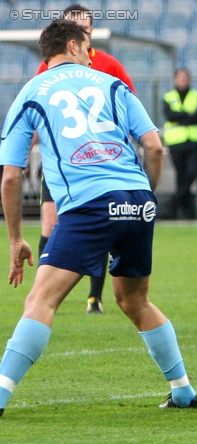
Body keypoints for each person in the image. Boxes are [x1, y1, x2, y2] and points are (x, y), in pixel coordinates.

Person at [0, 20, 197, 417]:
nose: (90, 52)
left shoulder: (31, 93)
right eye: (87, 45)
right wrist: (143, 195)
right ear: (74, 46)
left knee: (41, 300)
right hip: (136, 201)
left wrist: (14, 239)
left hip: (88, 205)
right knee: (134, 300)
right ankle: (182, 391)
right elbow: (154, 147)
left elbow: (11, 175)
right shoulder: (111, 84)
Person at [35, 3, 138, 314]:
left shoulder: (109, 66)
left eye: (85, 29)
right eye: (75, 29)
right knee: (49, 223)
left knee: (102, 224)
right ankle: (43, 290)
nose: (81, 35)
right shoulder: (47, 69)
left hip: (99, 165)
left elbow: (131, 106)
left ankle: (94, 297)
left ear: (91, 31)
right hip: (59, 161)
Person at [162, 68, 197, 219]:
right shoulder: (168, 97)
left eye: (185, 78)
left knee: (191, 173)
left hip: (195, 141)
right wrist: (187, 114)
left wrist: (180, 116)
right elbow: (170, 116)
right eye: (180, 77)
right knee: (181, 176)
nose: (182, 80)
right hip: (176, 141)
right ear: (175, 79)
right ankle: (187, 213)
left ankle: (174, 201)